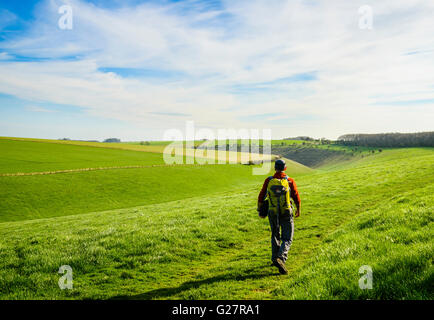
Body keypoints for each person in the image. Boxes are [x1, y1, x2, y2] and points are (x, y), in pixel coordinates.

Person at [257, 159, 301, 275]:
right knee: (287, 237)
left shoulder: (269, 180)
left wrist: (260, 210)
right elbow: (296, 195)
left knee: (275, 235)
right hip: (286, 211)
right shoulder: (290, 181)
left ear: (275, 168)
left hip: (272, 211)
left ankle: (274, 258)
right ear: (285, 168)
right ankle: (281, 258)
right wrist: (298, 209)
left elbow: (261, 196)